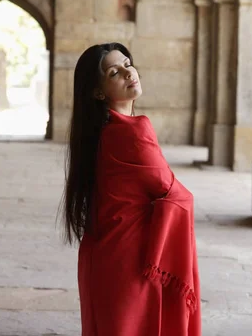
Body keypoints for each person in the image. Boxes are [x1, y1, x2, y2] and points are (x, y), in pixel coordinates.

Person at [60, 42, 201, 336]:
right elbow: (169, 188)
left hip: (100, 252)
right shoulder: (134, 131)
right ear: (98, 91)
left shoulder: (100, 131)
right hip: (131, 258)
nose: (128, 72)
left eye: (127, 63)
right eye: (114, 72)